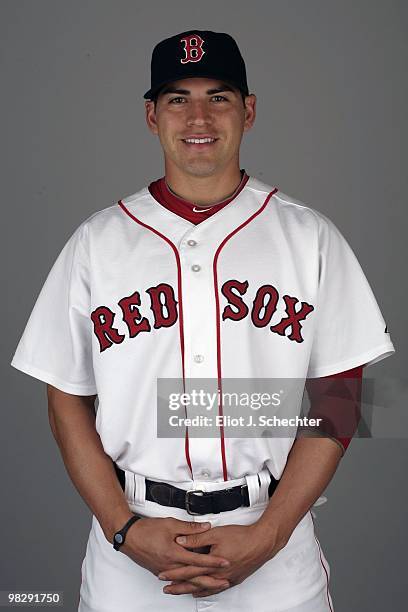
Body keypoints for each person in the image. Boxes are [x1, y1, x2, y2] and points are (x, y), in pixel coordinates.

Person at [10, 30, 395, 611]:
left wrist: (268, 535)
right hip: (132, 542)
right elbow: (65, 396)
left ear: (249, 109)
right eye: (176, 98)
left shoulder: (308, 237)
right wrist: (123, 528)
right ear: (150, 115)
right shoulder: (97, 243)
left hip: (271, 536)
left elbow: (340, 396)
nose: (199, 116)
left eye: (218, 97)